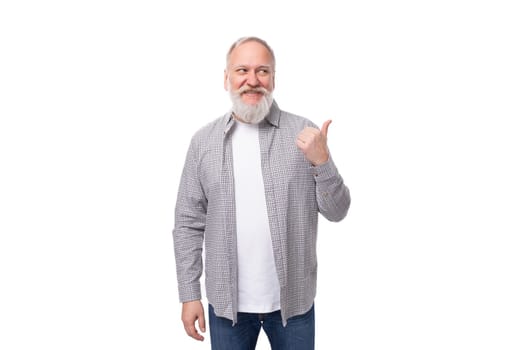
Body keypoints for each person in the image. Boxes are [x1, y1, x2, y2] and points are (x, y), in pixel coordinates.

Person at [172, 36, 350, 350]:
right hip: (227, 309)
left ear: (273, 79)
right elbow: (188, 224)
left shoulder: (305, 134)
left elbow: (337, 211)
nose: (252, 81)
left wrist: (322, 160)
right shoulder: (203, 142)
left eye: (262, 71)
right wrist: (189, 294)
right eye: (242, 70)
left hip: (293, 305)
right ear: (226, 78)